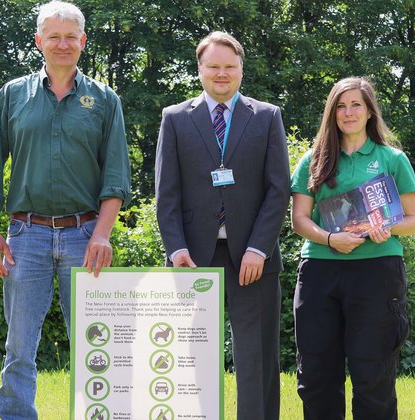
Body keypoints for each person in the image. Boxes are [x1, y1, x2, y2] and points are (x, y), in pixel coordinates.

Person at [0, 1, 131, 418]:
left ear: (83, 41)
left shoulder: (106, 100)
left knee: (94, 342)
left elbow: (115, 176)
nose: (63, 44)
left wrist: (102, 233)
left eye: (70, 36)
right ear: (39, 41)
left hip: (85, 236)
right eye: (54, 36)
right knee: (20, 346)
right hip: (27, 235)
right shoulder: (12, 95)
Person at [154, 31, 290, 420]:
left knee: (256, 357)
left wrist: (259, 248)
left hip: (254, 258)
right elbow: (167, 193)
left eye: (230, 67)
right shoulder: (175, 119)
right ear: (199, 69)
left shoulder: (267, 117)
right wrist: (175, 249)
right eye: (213, 66)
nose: (222, 74)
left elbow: (278, 190)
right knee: (190, 357)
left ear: (241, 70)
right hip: (192, 258)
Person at [289, 76, 415, 419]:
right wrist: (331, 239)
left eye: (356, 105)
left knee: (372, 375)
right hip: (320, 270)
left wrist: (385, 227)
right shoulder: (313, 160)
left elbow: (413, 221)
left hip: (376, 272)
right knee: (316, 376)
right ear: (332, 113)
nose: (348, 112)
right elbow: (300, 219)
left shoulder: (392, 159)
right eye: (341, 106)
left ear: (369, 112)